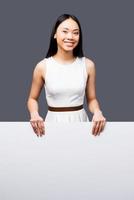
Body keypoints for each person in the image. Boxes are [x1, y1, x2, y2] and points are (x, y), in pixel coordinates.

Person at [27, 14, 106, 137]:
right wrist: (34, 114)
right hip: (52, 124)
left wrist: (97, 112)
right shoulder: (42, 66)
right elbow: (32, 99)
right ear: (55, 34)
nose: (70, 37)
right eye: (65, 31)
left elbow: (92, 99)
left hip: (81, 123)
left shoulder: (88, 65)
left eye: (76, 33)